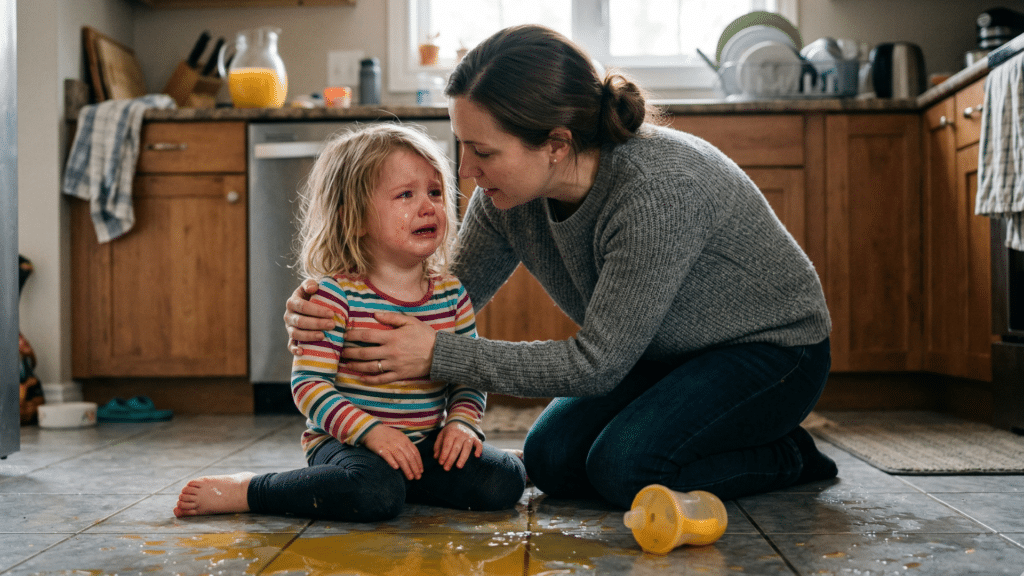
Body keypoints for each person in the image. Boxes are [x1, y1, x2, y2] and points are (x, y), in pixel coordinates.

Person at [283, 25, 838, 509]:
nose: (467, 171)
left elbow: (595, 364)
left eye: (484, 151)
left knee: (626, 470)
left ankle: (787, 454)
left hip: (772, 352)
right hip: (657, 352)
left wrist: (440, 354)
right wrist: (325, 309)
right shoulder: (505, 197)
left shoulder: (657, 193)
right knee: (550, 461)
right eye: (462, 146)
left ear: (555, 143)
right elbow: (439, 298)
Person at [174, 123, 526, 522]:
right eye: (406, 195)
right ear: (355, 219)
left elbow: (468, 374)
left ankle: (403, 482)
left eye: (435, 192)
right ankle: (252, 490)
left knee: (505, 479)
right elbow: (309, 386)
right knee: (372, 491)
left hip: (422, 445)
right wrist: (372, 433)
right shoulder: (334, 297)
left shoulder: (452, 296)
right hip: (347, 442)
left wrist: (462, 424)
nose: (428, 206)